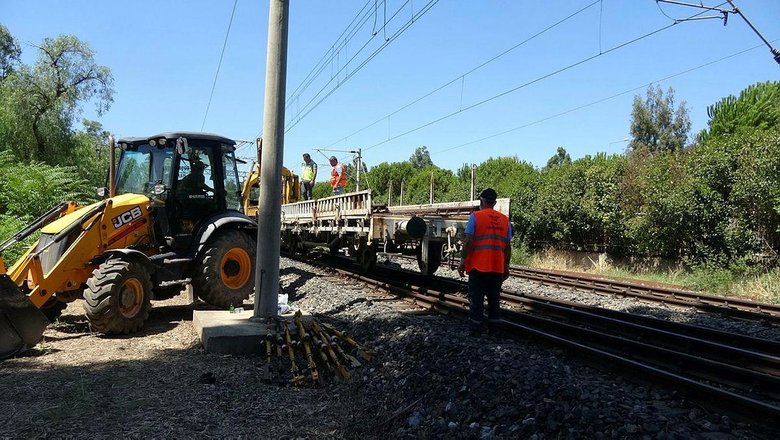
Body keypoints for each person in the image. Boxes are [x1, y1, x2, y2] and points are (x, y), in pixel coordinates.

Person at [458, 188, 512, 337]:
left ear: (481, 201)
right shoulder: (505, 220)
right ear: (494, 203)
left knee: (477, 300)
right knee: (494, 300)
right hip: (497, 268)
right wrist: (506, 265)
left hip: (478, 267)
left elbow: (468, 241)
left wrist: (462, 261)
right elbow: (507, 246)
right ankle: (494, 331)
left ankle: (476, 331)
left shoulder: (475, 217)